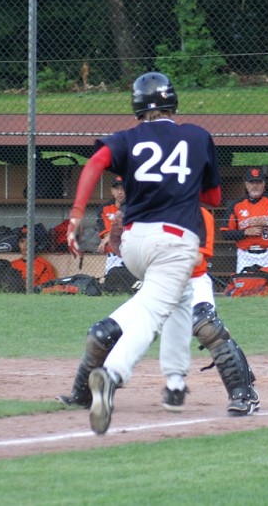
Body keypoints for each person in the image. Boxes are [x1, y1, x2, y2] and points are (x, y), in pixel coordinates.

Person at [63, 71, 222, 435]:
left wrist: (76, 214)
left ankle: (176, 382)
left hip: (133, 242)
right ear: (173, 103)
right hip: (174, 241)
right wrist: (181, 186)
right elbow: (213, 197)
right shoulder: (197, 136)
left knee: (180, 296)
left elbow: (94, 163)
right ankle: (111, 375)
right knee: (152, 313)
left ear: (137, 106)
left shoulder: (128, 138)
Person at [58, 207, 260, 415]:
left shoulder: (198, 214)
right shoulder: (150, 213)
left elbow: (197, 259)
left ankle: (244, 394)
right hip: (156, 286)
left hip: (192, 283)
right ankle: (82, 395)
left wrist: (161, 253)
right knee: (100, 335)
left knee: (206, 327)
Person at [220, 167, 268, 273]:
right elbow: (225, 233)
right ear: (246, 185)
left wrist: (267, 223)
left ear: (264, 184)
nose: (255, 185)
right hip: (246, 255)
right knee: (245, 283)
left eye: (258, 182)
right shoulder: (237, 205)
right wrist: (246, 232)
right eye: (251, 182)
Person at [96, 175, 138, 294]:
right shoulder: (104, 208)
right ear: (112, 190)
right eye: (116, 188)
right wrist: (109, 236)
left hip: (131, 252)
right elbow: (104, 235)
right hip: (113, 255)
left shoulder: (134, 206)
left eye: (123, 188)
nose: (120, 192)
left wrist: (111, 236)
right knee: (112, 288)